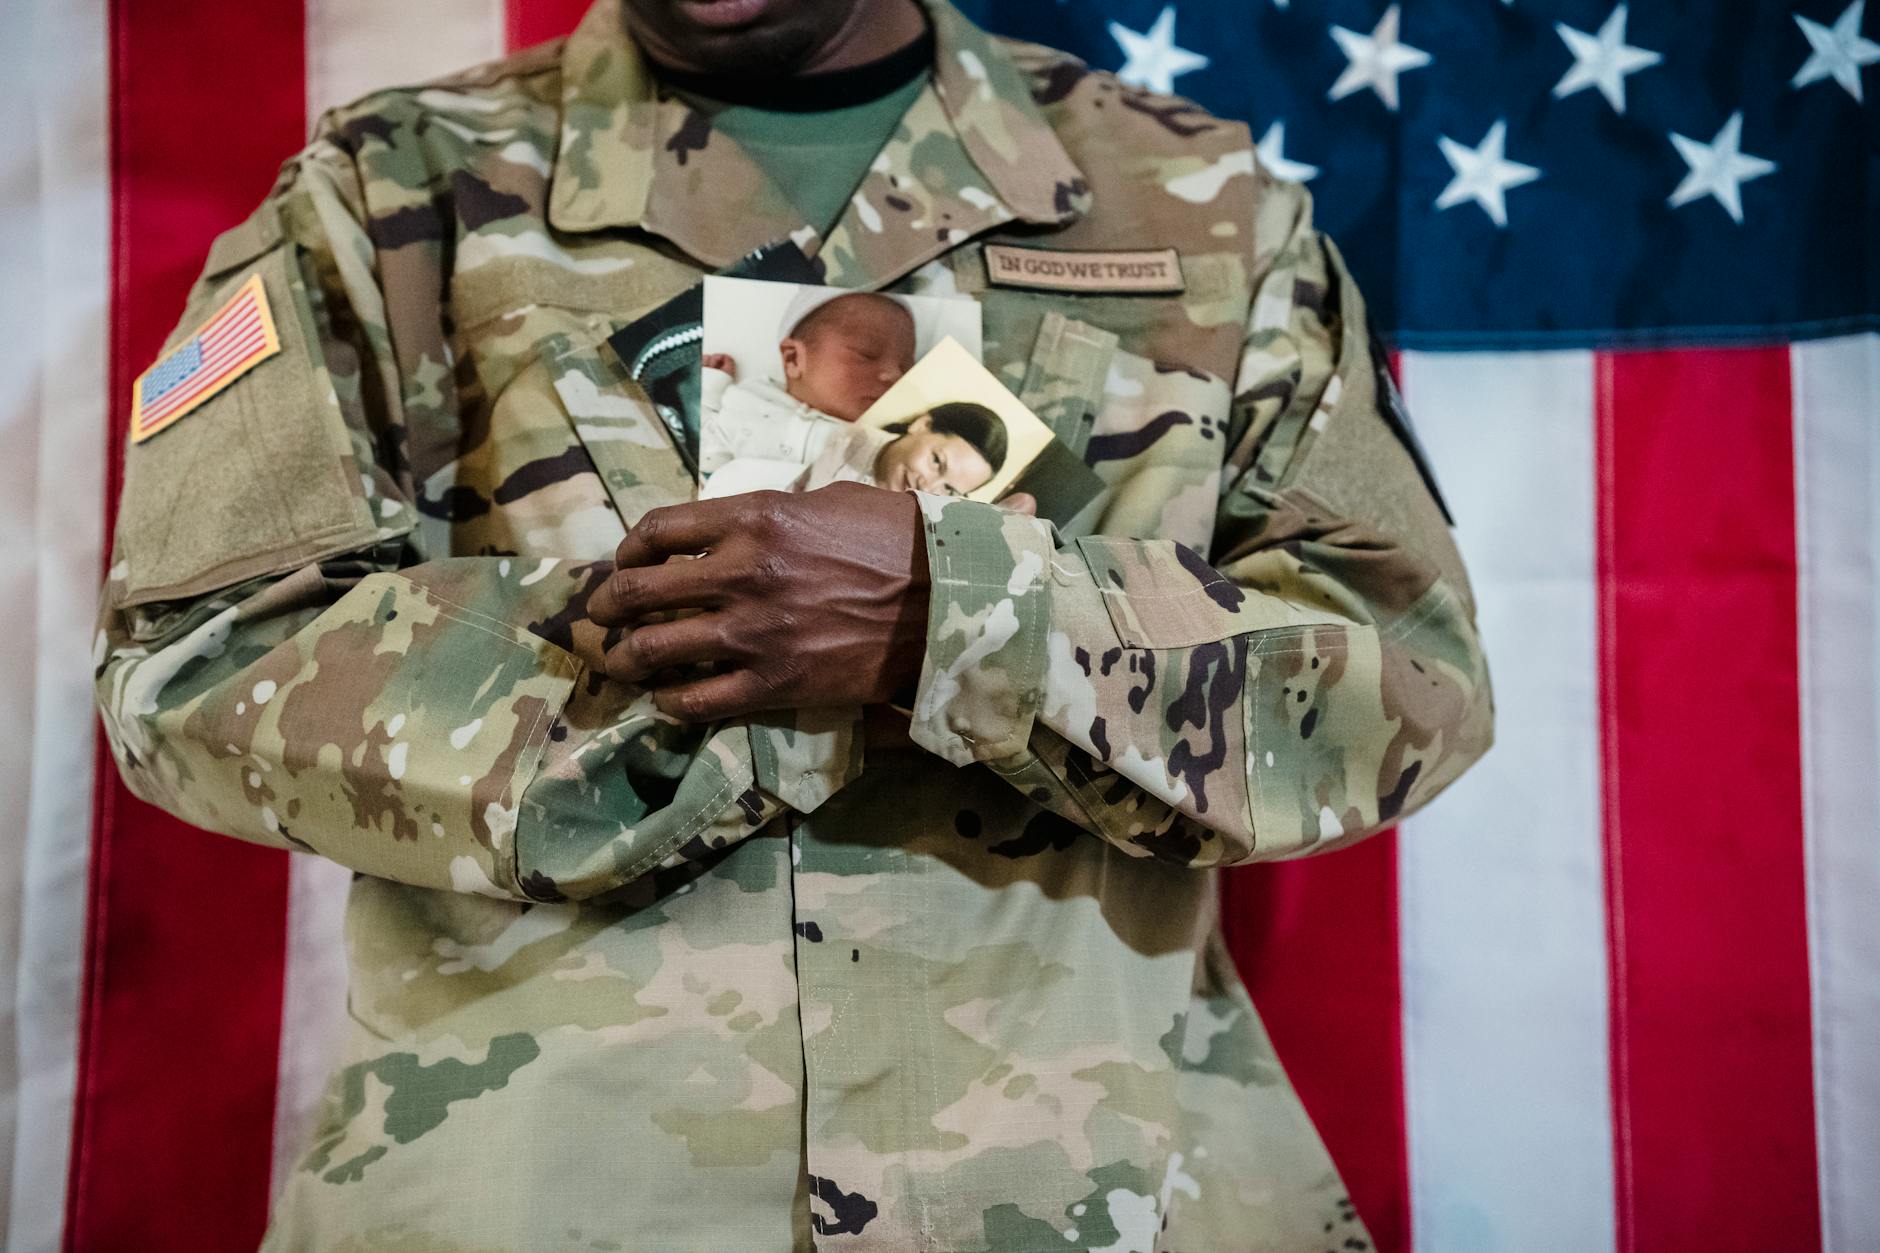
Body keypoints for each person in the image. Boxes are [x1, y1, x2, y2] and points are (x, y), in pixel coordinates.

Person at [93, 0, 1494, 1248]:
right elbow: (199, 647)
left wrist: (959, 622)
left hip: (1103, 1188)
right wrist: (691, 670)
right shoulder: (393, 191)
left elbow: (1406, 673)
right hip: (538, 1190)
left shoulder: (1203, 203)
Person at [699, 289, 918, 495]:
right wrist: (710, 386)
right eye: (866, 354)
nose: (894, 376)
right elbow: (705, 448)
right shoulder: (748, 400)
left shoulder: (880, 443)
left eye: (906, 368)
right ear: (793, 358)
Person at [793, 401, 1007, 496]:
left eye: (948, 489)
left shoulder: (917, 531)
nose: (928, 488)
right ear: (921, 425)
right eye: (936, 462)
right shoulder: (836, 439)